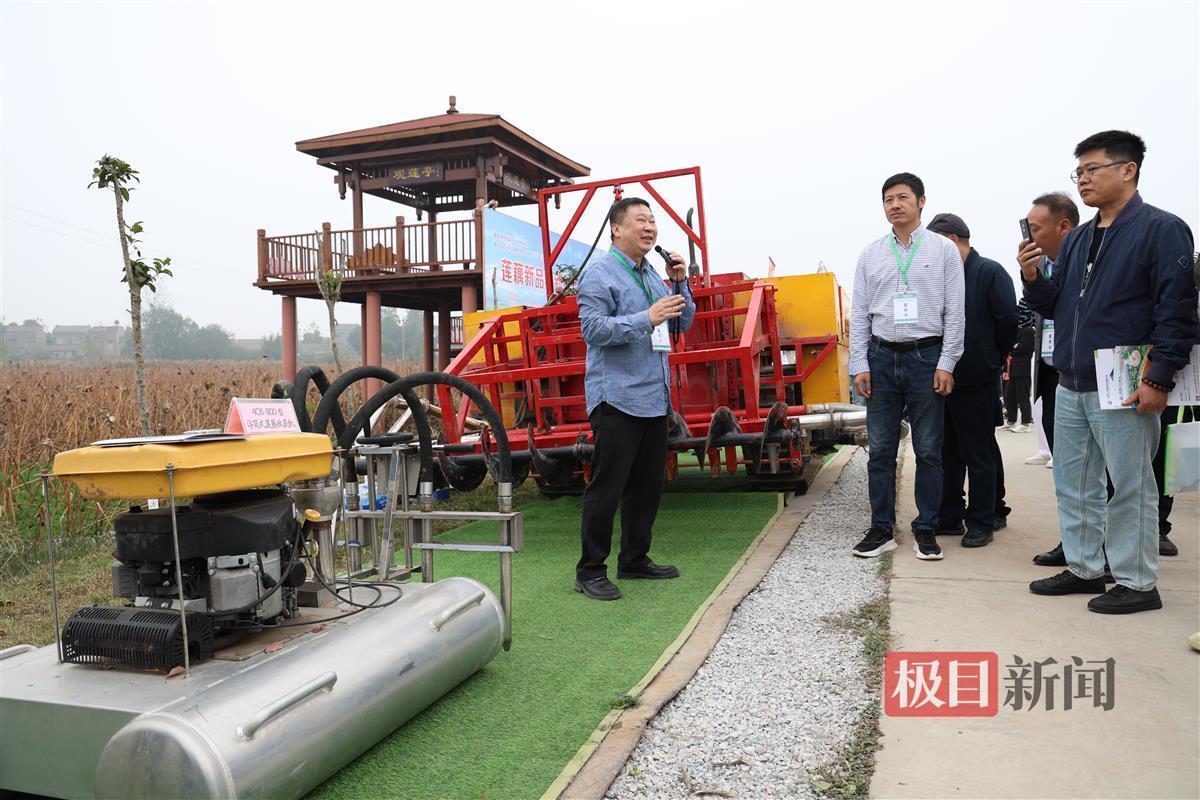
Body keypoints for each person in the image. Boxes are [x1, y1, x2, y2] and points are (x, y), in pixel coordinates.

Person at [1022, 130, 1198, 614]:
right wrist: (1033, 277)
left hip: (1126, 383)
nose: (1082, 179)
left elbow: (1176, 309)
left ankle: (1138, 581)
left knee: (1130, 485)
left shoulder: (1162, 229)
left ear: (1128, 169)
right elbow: (1056, 305)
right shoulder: (1079, 237)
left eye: (1091, 169)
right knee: (1074, 484)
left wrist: (1159, 377)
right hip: (1073, 381)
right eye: (1078, 171)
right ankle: (1084, 568)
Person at [574, 197, 695, 601]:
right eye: (640, 220)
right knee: (607, 487)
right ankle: (590, 570)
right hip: (617, 397)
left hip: (654, 397)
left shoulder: (655, 276)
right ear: (616, 229)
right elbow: (593, 330)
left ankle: (634, 559)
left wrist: (680, 282)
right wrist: (647, 318)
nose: (649, 227)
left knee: (647, 486)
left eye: (652, 221)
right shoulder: (599, 274)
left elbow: (682, 322)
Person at [849, 173, 965, 561]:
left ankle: (926, 528)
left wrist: (947, 362)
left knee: (929, 449)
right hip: (881, 357)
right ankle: (881, 528)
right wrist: (859, 363)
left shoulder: (944, 250)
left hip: (926, 357)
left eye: (902, 197)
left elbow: (955, 311)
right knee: (880, 450)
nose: (895, 205)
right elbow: (859, 312)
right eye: (888, 199)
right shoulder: (870, 254)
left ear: (921, 201)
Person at [926, 213, 1017, 548]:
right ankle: (949, 514)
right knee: (947, 450)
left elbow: (1008, 323)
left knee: (978, 452)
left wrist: (992, 359)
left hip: (977, 377)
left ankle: (982, 520)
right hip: (942, 378)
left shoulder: (989, 272)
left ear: (951, 240)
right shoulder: (939, 278)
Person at [1021, 193, 1080, 566]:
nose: (1029, 236)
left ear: (1064, 226)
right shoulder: (1046, 265)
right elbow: (1044, 307)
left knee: (1099, 473)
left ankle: (1108, 551)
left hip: (1086, 375)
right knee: (1067, 466)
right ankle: (1074, 542)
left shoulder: (1088, 260)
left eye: (1035, 228)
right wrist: (1030, 276)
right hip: (1052, 369)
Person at [1004, 310, 1035, 432]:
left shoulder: (1029, 331)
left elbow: (1021, 348)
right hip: (1014, 369)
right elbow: (1011, 347)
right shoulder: (1019, 331)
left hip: (1023, 369)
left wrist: (1015, 347)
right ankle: (1011, 421)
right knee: (1009, 396)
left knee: (1023, 396)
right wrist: (1014, 347)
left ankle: (1026, 423)